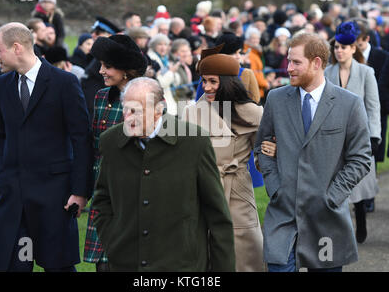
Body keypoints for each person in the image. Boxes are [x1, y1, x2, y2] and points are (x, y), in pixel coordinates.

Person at [254, 32, 371, 272]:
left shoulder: (349, 104)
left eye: (296, 62)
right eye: (288, 61)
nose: (288, 68)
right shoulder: (276, 99)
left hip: (326, 218)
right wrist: (275, 187)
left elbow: (360, 158)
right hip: (283, 215)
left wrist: (332, 196)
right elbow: (262, 147)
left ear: (316, 63)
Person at [92, 77, 235, 271]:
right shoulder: (111, 141)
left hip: (182, 267)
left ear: (160, 109)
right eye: (126, 108)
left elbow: (217, 215)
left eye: (137, 110)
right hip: (125, 264)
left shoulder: (194, 142)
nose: (127, 117)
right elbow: (102, 200)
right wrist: (113, 241)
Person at [0, 22, 93, 271]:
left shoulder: (64, 83)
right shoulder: (2, 85)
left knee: (58, 266)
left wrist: (80, 190)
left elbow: (81, 139)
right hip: (12, 196)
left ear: (16, 48)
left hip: (54, 197)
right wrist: (2, 173)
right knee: (10, 266)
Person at [182, 47, 264, 271]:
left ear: (228, 82)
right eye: (203, 81)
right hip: (202, 192)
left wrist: (269, 153)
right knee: (205, 257)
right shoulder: (191, 113)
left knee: (245, 256)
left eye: (212, 81)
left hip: (237, 191)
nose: (206, 87)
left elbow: (263, 158)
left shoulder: (253, 113)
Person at [83, 34, 147, 272]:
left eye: (107, 66)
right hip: (103, 191)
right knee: (103, 263)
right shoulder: (101, 97)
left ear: (126, 70)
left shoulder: (148, 100)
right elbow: (92, 145)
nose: (101, 71)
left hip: (134, 191)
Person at [325, 21, 381, 244]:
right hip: (333, 135)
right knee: (334, 180)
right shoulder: (327, 72)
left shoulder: (366, 72)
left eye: (344, 47)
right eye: (336, 47)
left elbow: (373, 105)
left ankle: (361, 219)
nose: (339, 50)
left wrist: (374, 136)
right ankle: (338, 226)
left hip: (359, 135)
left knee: (359, 181)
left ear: (353, 48)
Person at [354, 19, 389, 212]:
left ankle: (369, 197)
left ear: (366, 39)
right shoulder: (347, 57)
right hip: (354, 112)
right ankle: (358, 198)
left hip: (375, 110)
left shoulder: (382, 56)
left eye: (358, 41)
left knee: (372, 153)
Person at [82, 17, 123, 121]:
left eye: (98, 32)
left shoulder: (111, 58)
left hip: (99, 112)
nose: (93, 35)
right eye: (93, 32)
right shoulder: (93, 56)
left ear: (110, 36)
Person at [147, 33, 180, 116]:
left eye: (165, 44)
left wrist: (173, 72)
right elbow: (160, 83)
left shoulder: (165, 59)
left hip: (170, 103)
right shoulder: (151, 60)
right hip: (161, 104)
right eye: (160, 44)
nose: (163, 47)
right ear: (154, 46)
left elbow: (176, 82)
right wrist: (171, 71)